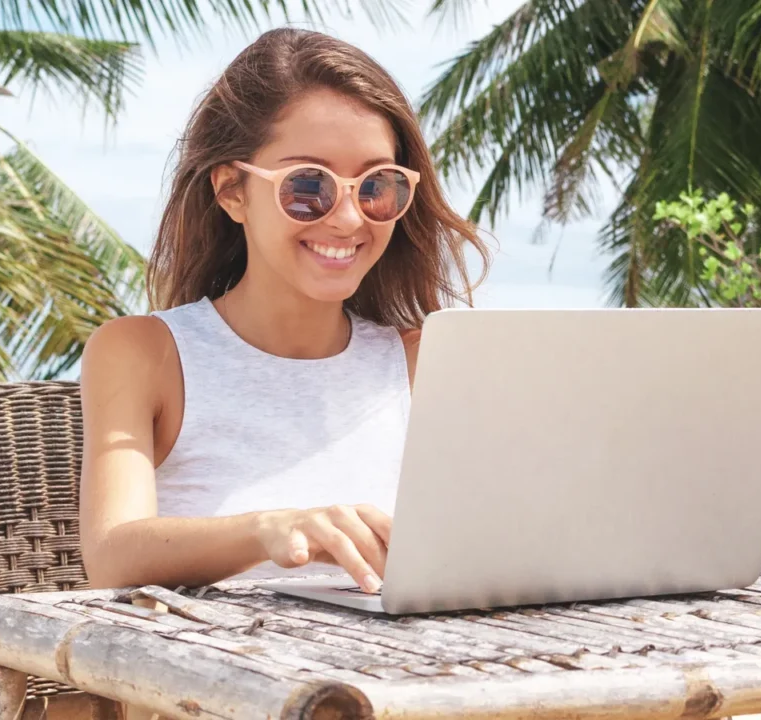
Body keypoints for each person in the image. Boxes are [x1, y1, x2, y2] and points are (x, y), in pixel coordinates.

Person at [78, 28, 489, 593]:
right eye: (308, 186)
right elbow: (111, 557)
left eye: (376, 187)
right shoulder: (144, 353)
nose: (348, 219)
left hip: (402, 673)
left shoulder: (424, 363)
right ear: (231, 191)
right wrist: (272, 531)